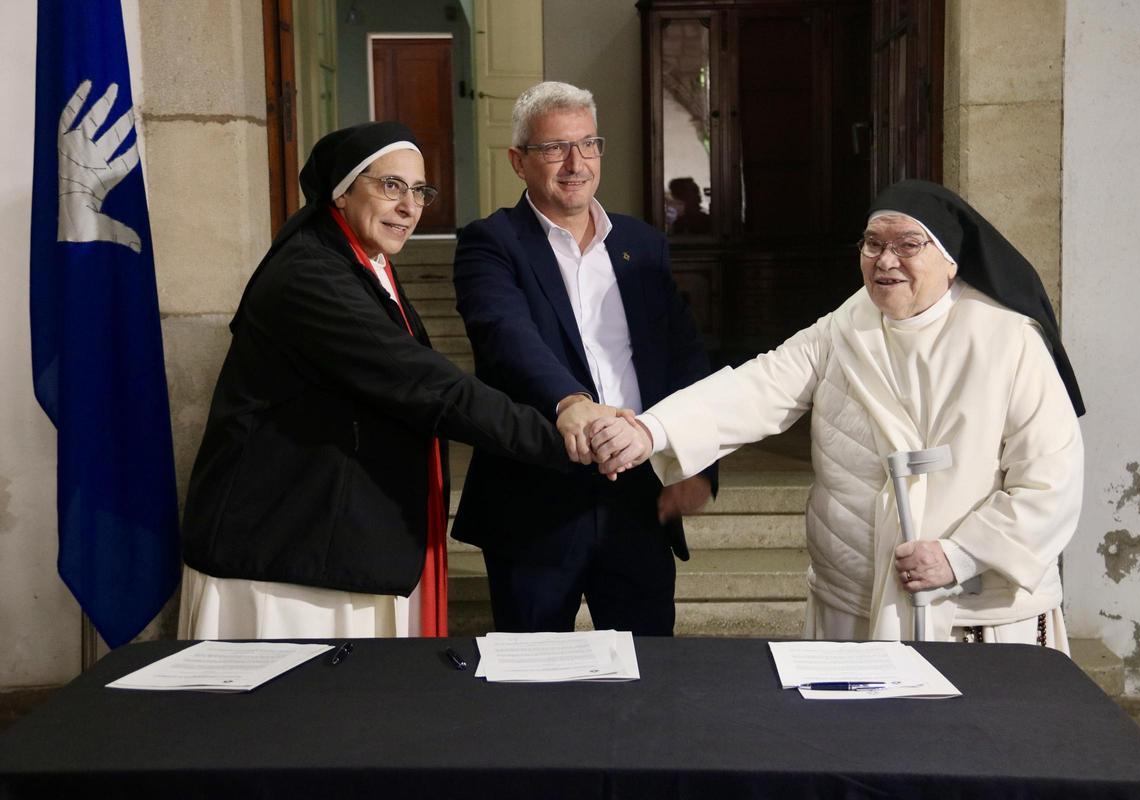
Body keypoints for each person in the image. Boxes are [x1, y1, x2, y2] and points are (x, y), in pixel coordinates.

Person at [591, 179, 1085, 650]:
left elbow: (1051, 478)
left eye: (908, 245)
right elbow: (757, 388)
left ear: (951, 261)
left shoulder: (1009, 340)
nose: (885, 260)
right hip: (855, 600)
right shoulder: (846, 326)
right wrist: (650, 430)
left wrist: (961, 555)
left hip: (974, 606)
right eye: (872, 244)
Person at [178, 122, 568, 640]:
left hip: (332, 541)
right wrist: (564, 439)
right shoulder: (311, 275)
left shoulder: (362, 260)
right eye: (391, 186)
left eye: (420, 191)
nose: (410, 206)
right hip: (288, 562)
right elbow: (427, 386)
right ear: (341, 192)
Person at [450, 82, 717, 636]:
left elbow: (686, 358)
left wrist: (697, 460)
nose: (574, 163)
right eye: (554, 148)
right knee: (533, 685)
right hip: (536, 497)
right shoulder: (492, 243)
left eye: (587, 144)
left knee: (647, 675)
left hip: (638, 494)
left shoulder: (641, 244)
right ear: (519, 161)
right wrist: (571, 401)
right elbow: (505, 335)